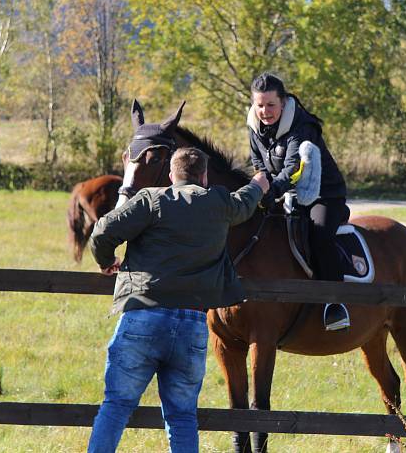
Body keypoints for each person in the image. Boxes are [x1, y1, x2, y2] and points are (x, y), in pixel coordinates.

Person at [87, 147, 269, 453]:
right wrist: (260, 184)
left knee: (116, 406)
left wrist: (107, 261)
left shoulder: (151, 200)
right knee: (182, 416)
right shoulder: (219, 203)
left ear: (172, 175)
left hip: (143, 315)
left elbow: (103, 230)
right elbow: (246, 202)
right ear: (205, 176)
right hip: (193, 323)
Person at [247, 72, 351, 331]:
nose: (265, 111)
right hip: (287, 195)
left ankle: (335, 304)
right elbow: (259, 165)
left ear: (283, 102)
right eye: (259, 105)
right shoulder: (254, 127)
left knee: (318, 236)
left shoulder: (302, 127)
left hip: (324, 195)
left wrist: (271, 190)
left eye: (271, 105)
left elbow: (295, 168)